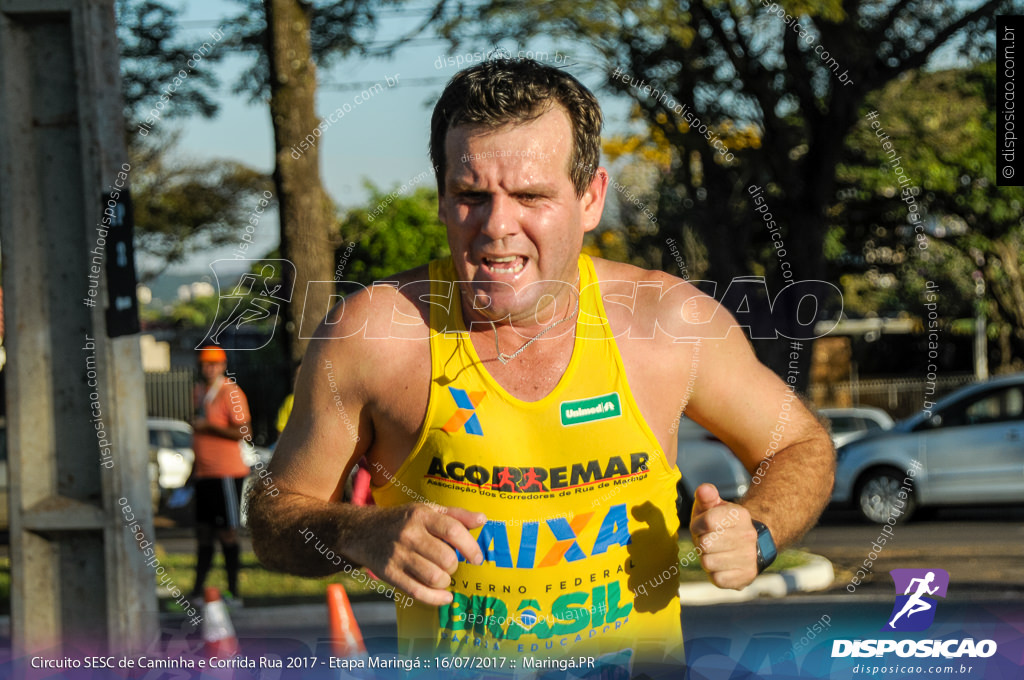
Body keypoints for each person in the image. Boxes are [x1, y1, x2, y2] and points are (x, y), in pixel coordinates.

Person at [249, 58, 834, 673]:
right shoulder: (372, 337)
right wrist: (358, 533)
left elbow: (799, 443)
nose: (497, 226)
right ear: (443, 200)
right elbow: (274, 514)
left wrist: (760, 530)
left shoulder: (668, 324)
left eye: (531, 196)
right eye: (471, 196)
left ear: (590, 199)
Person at [189, 345, 251, 603]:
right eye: (205, 364)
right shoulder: (200, 391)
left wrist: (209, 428)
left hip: (226, 472)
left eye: (214, 364)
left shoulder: (230, 392)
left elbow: (243, 430)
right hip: (204, 473)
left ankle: (234, 591)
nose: (208, 368)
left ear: (223, 365)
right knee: (203, 531)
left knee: (227, 531)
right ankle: (197, 591)